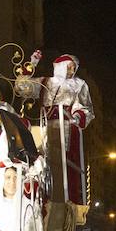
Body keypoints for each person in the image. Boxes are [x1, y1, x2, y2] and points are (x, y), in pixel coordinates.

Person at [32, 52, 93, 204]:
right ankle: (44, 198)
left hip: (67, 128)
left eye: (74, 68)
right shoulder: (45, 82)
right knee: (43, 162)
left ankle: (68, 200)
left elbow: (85, 108)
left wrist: (76, 116)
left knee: (67, 166)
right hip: (45, 128)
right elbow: (22, 87)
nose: (71, 71)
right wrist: (31, 65)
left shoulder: (79, 84)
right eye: (69, 67)